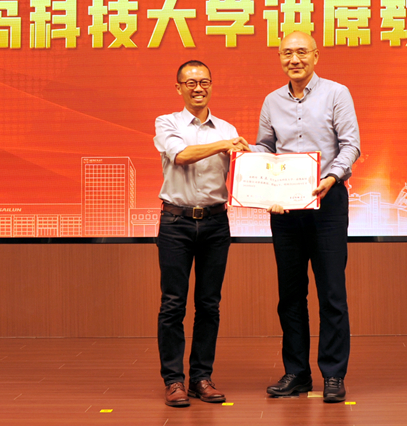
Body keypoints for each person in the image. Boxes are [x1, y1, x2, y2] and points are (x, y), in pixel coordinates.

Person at [254, 31, 361, 403]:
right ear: (280, 57)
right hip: (286, 208)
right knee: (290, 294)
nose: (294, 59)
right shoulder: (271, 101)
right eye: (287, 53)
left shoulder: (336, 93)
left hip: (327, 202)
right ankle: (297, 373)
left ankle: (333, 374)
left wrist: (331, 177)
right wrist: (253, 170)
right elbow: (265, 147)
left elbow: (351, 145)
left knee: (331, 292)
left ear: (316, 56)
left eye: (301, 52)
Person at [154, 60, 249, 408]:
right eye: (190, 82)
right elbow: (181, 155)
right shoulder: (167, 123)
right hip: (176, 222)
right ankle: (173, 380)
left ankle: (201, 378)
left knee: (209, 305)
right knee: (173, 304)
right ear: (178, 87)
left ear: (211, 86)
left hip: (215, 223)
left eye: (204, 81)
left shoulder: (227, 128)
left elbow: (246, 172)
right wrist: (225, 145)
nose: (198, 88)